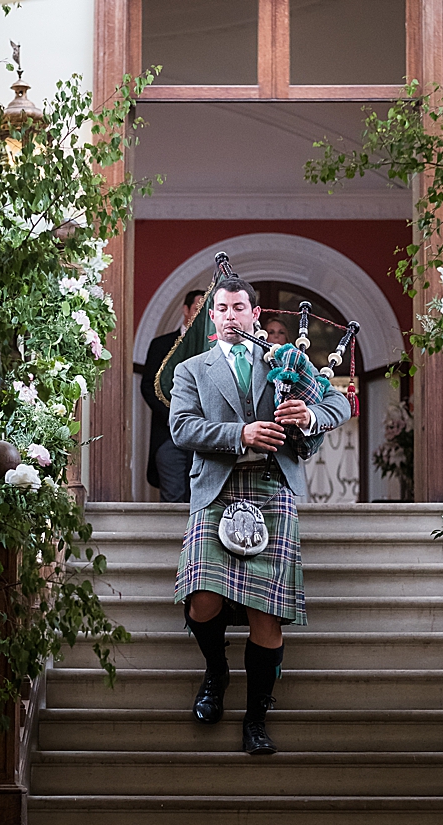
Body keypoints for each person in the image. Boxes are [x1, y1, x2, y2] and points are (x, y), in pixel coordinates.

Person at [170, 278, 350, 754]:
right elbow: (182, 427)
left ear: (254, 314)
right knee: (201, 601)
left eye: (239, 308)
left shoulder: (284, 361)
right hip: (218, 490)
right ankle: (216, 672)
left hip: (273, 488)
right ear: (212, 318)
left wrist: (309, 418)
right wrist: (241, 433)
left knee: (265, 619)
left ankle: (255, 719)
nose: (230, 315)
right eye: (222, 308)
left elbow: (336, 403)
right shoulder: (191, 369)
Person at [141, 290, 205, 502]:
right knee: (173, 497)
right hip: (168, 435)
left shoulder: (212, 348)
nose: (201, 314)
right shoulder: (161, 345)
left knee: (202, 496)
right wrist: (173, 417)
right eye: (197, 308)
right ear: (185, 310)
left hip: (204, 435)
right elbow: (148, 387)